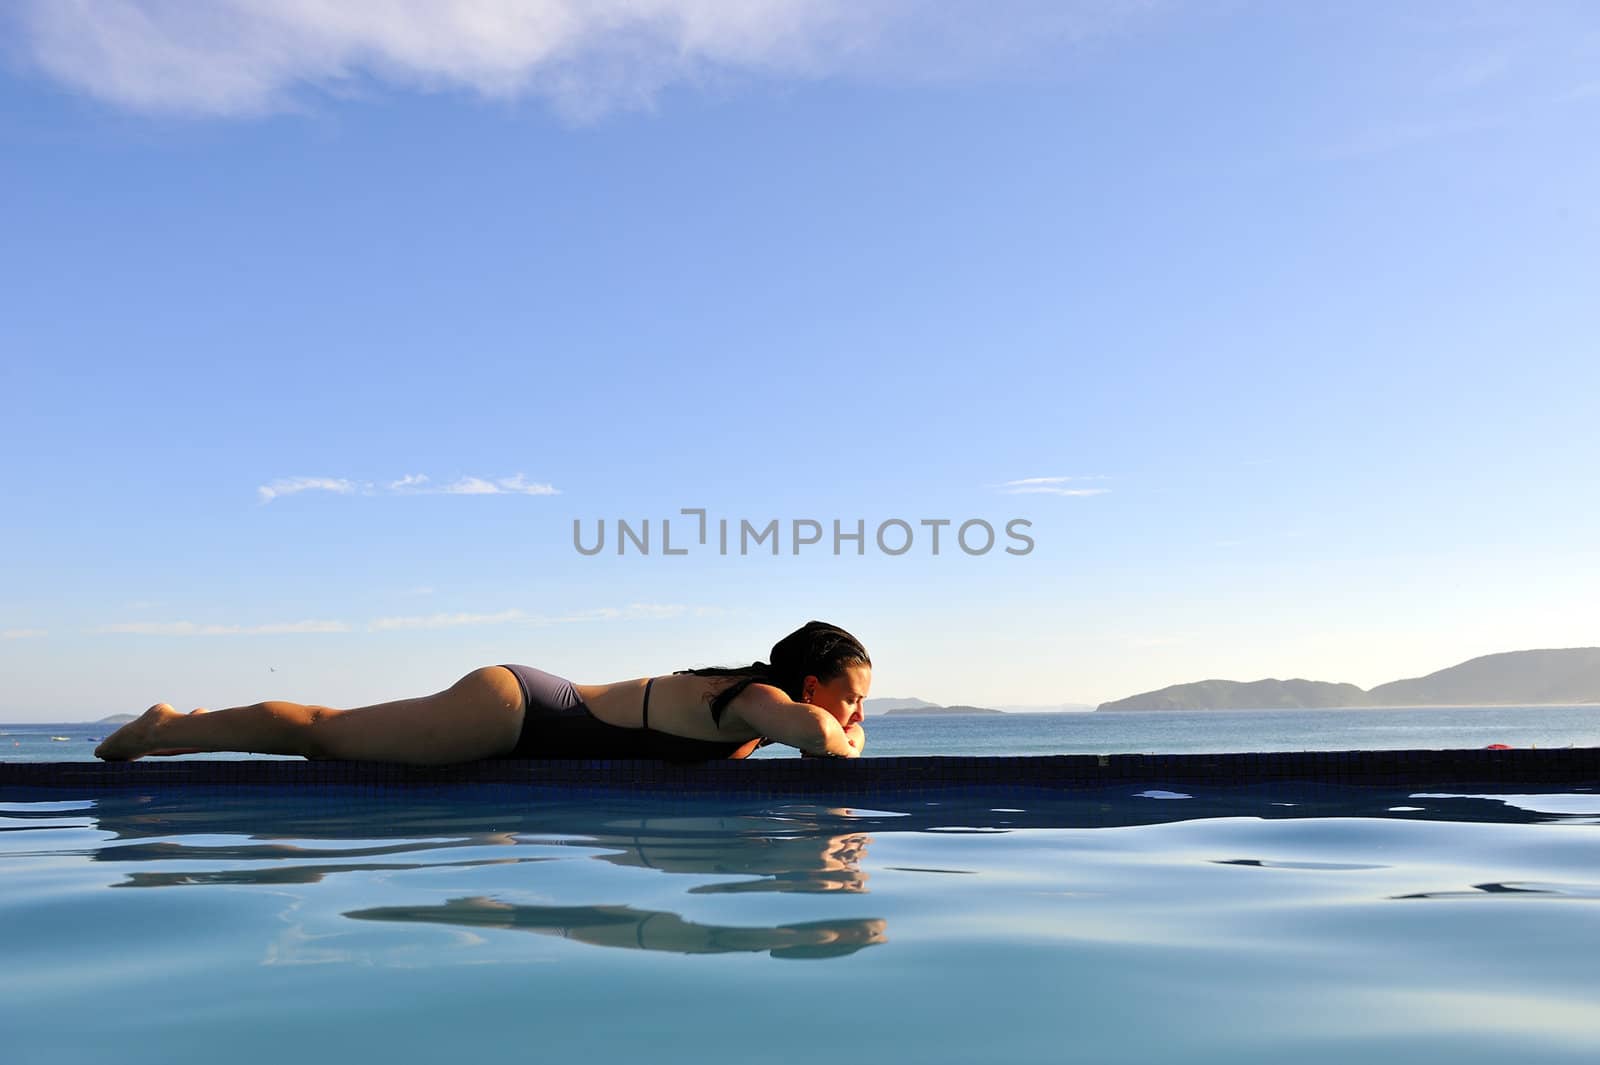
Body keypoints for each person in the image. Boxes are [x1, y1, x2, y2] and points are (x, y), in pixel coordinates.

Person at [93, 620, 871, 765]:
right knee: (326, 732)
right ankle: (168, 729)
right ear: (810, 684)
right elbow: (824, 740)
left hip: (531, 710)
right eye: (854, 698)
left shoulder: (754, 706)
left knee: (330, 731)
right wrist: (850, 737)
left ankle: (177, 727)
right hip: (520, 709)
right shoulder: (760, 701)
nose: (857, 713)